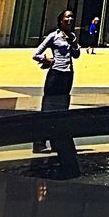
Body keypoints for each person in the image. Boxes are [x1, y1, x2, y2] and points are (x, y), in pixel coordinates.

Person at [32, 9, 81, 158]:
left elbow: (77, 55)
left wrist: (74, 44)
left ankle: (56, 141)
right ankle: (39, 142)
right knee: (48, 108)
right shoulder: (54, 36)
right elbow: (36, 54)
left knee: (62, 109)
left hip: (68, 74)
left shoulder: (72, 36)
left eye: (72, 17)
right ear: (61, 20)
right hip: (55, 74)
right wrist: (47, 60)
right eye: (67, 17)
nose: (70, 19)